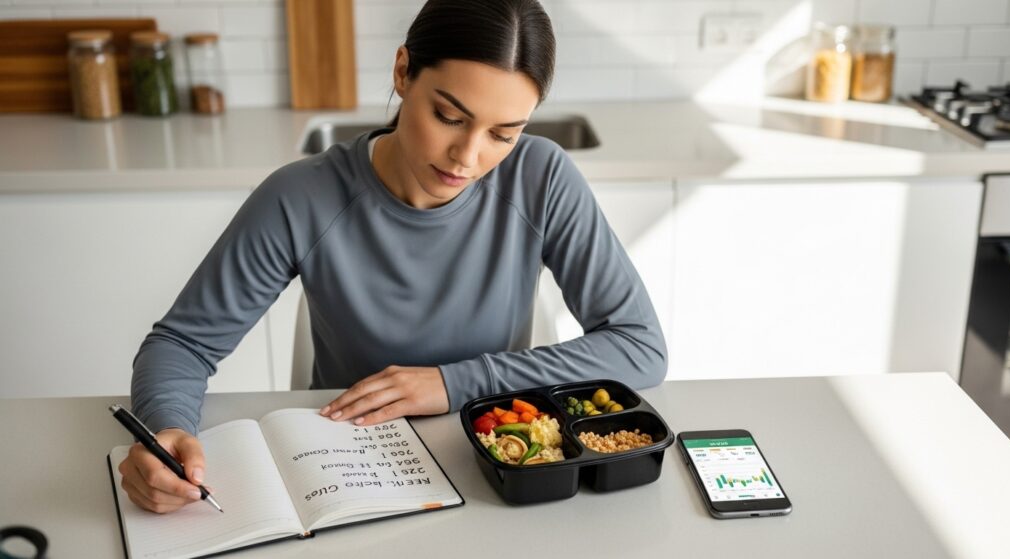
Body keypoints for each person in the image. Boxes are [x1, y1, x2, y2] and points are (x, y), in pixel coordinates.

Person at [117, 0, 666, 514]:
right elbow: (183, 344)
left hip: (499, 459)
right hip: (346, 463)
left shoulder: (541, 176)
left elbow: (639, 346)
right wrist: (167, 430)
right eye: (449, 116)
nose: (468, 158)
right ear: (403, 72)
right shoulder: (301, 196)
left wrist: (455, 382)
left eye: (504, 134)